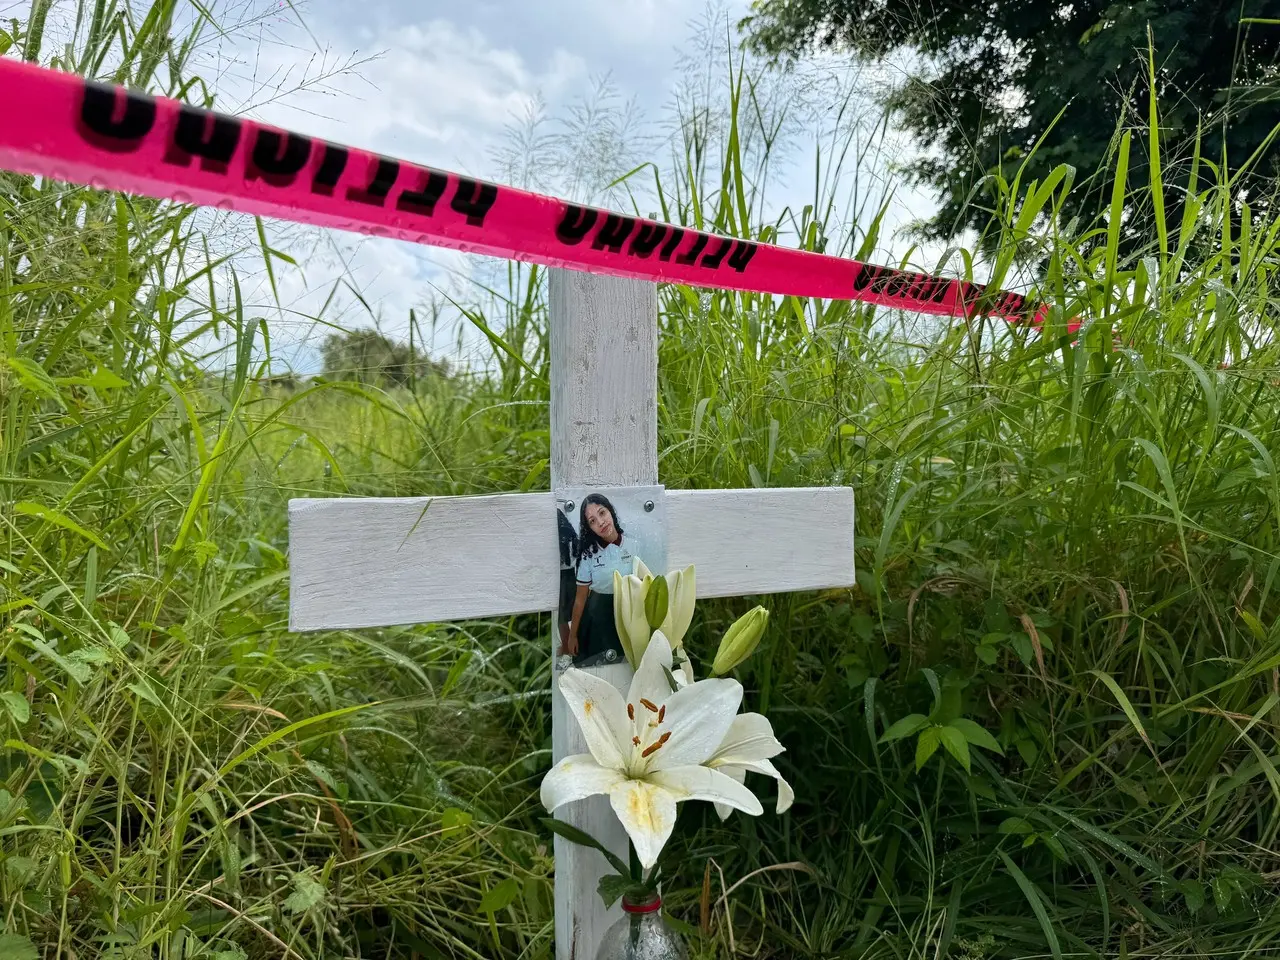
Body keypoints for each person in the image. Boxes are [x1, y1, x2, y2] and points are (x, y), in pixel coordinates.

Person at [565, 493, 635, 666]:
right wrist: (572, 635)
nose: (600, 523)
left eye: (602, 513)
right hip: (598, 616)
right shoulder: (588, 555)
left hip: (628, 612)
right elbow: (580, 599)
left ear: (610, 511)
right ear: (589, 528)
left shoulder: (635, 546)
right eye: (592, 521)